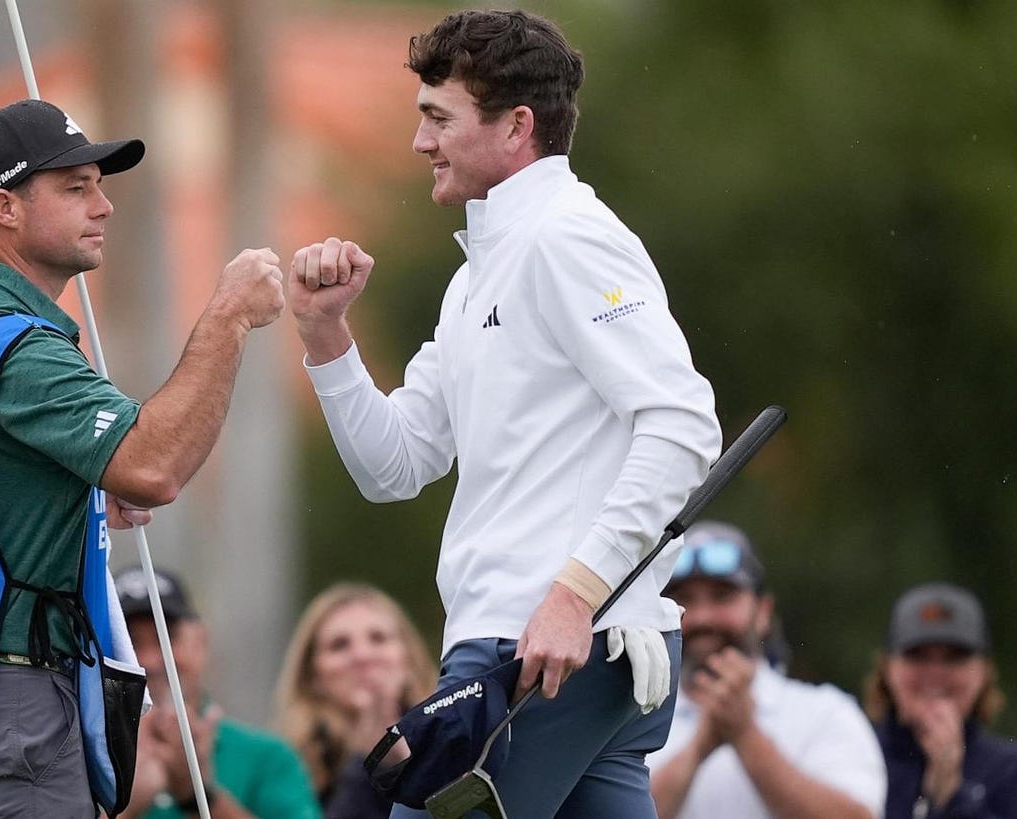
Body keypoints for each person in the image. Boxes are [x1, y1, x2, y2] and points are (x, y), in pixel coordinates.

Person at [286, 8, 722, 815]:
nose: (421, 143)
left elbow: (683, 424)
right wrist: (325, 335)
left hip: (542, 649)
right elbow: (396, 464)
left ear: (517, 127)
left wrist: (573, 595)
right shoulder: (479, 274)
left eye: (438, 119)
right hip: (560, 650)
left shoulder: (566, 237)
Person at [0, 98, 284, 818]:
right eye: (75, 188)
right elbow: (154, 466)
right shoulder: (18, 347)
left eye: (99, 184)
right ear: (4, 207)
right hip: (15, 705)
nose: (103, 206)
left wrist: (84, 493)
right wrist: (229, 315)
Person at [647, 520, 886, 818]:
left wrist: (745, 733)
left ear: (763, 612)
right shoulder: (629, 722)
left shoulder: (825, 713)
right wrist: (700, 745)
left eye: (723, 597)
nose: (703, 617)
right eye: (684, 600)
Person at [114, 567, 319, 819]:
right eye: (128, 641)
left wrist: (198, 795)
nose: (150, 660)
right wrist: (126, 805)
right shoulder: (76, 755)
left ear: (201, 642)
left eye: (167, 638)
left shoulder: (267, 757)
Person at [864, 582, 1017, 819]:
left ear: (984, 671)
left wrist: (951, 796)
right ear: (887, 668)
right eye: (917, 655)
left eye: (955, 657)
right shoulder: (850, 757)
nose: (935, 672)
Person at [274, 583, 438, 818]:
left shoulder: (452, 740)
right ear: (312, 676)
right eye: (339, 645)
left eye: (378, 638)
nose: (362, 656)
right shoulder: (285, 771)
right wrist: (370, 763)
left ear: (408, 658)